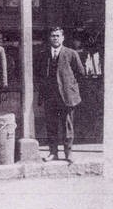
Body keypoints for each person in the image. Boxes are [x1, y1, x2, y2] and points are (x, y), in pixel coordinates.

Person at [36, 26, 85, 164]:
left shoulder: (71, 53)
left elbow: (80, 74)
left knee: (67, 125)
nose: (55, 38)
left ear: (62, 38)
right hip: (50, 96)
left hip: (67, 96)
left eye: (58, 36)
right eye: (53, 35)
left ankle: (68, 153)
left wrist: (70, 87)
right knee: (51, 125)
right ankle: (53, 153)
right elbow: (38, 74)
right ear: (49, 38)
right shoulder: (43, 54)